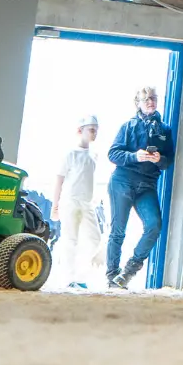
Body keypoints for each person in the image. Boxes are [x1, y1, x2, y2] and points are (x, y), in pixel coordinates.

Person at [104, 86, 174, 289]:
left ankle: (129, 270)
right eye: (145, 99)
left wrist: (160, 159)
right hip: (122, 182)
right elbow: (113, 154)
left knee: (154, 225)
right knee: (118, 231)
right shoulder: (128, 126)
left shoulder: (165, 130)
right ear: (138, 104)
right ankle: (112, 277)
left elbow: (169, 161)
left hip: (148, 185)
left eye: (153, 98)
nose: (150, 101)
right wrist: (135, 156)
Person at [54, 116, 103, 288]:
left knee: (95, 239)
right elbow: (60, 179)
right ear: (80, 130)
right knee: (70, 239)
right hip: (71, 201)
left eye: (96, 129)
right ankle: (68, 279)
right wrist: (56, 205)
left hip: (87, 203)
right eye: (91, 129)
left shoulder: (94, 155)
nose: (94, 132)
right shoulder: (70, 154)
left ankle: (81, 276)